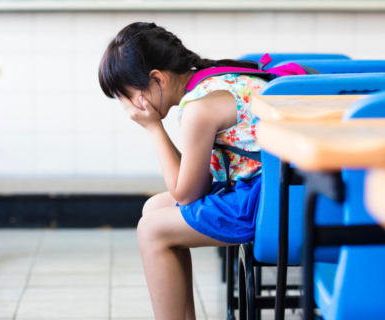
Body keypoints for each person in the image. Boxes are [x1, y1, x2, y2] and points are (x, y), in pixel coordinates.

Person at [98, 22, 266, 320]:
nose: (128, 107)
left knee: (151, 231)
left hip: (266, 202)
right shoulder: (215, 79)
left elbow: (187, 194)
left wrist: (152, 128)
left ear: (157, 79)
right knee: (154, 208)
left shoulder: (198, 109)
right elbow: (195, 181)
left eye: (127, 95)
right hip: (279, 188)